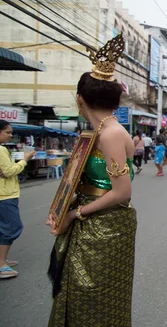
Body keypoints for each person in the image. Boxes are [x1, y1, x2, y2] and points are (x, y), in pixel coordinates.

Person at [46, 35, 137, 326]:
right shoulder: (100, 131)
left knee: (94, 296)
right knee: (81, 294)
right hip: (93, 220)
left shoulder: (109, 134)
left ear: (80, 99)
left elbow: (122, 192)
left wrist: (74, 214)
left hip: (103, 226)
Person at [0, 120, 35, 279]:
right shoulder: (1, 150)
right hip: (5, 195)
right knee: (12, 227)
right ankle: (1, 265)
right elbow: (9, 171)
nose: (10, 135)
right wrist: (25, 159)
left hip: (5, 194)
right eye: (7, 132)